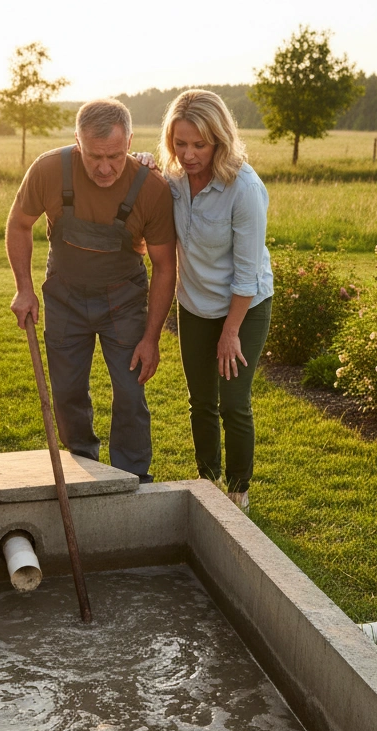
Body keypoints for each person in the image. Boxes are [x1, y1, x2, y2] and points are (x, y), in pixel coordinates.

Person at [6, 99, 177, 482]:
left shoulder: (150, 188)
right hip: (64, 296)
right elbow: (19, 224)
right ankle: (84, 466)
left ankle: (131, 478)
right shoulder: (49, 170)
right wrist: (24, 289)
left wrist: (151, 337)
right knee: (67, 394)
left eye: (115, 156)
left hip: (124, 300)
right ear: (77, 142)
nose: (104, 168)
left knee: (131, 395)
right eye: (93, 156)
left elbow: (166, 265)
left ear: (130, 141)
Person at [140, 90, 273, 511]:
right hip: (195, 304)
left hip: (244, 306)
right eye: (180, 143)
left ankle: (238, 492)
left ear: (219, 140)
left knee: (233, 401)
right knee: (201, 401)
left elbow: (248, 273)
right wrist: (140, 174)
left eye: (199, 144)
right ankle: (207, 480)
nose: (189, 153)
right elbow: (146, 237)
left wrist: (230, 332)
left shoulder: (245, 188)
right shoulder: (173, 180)